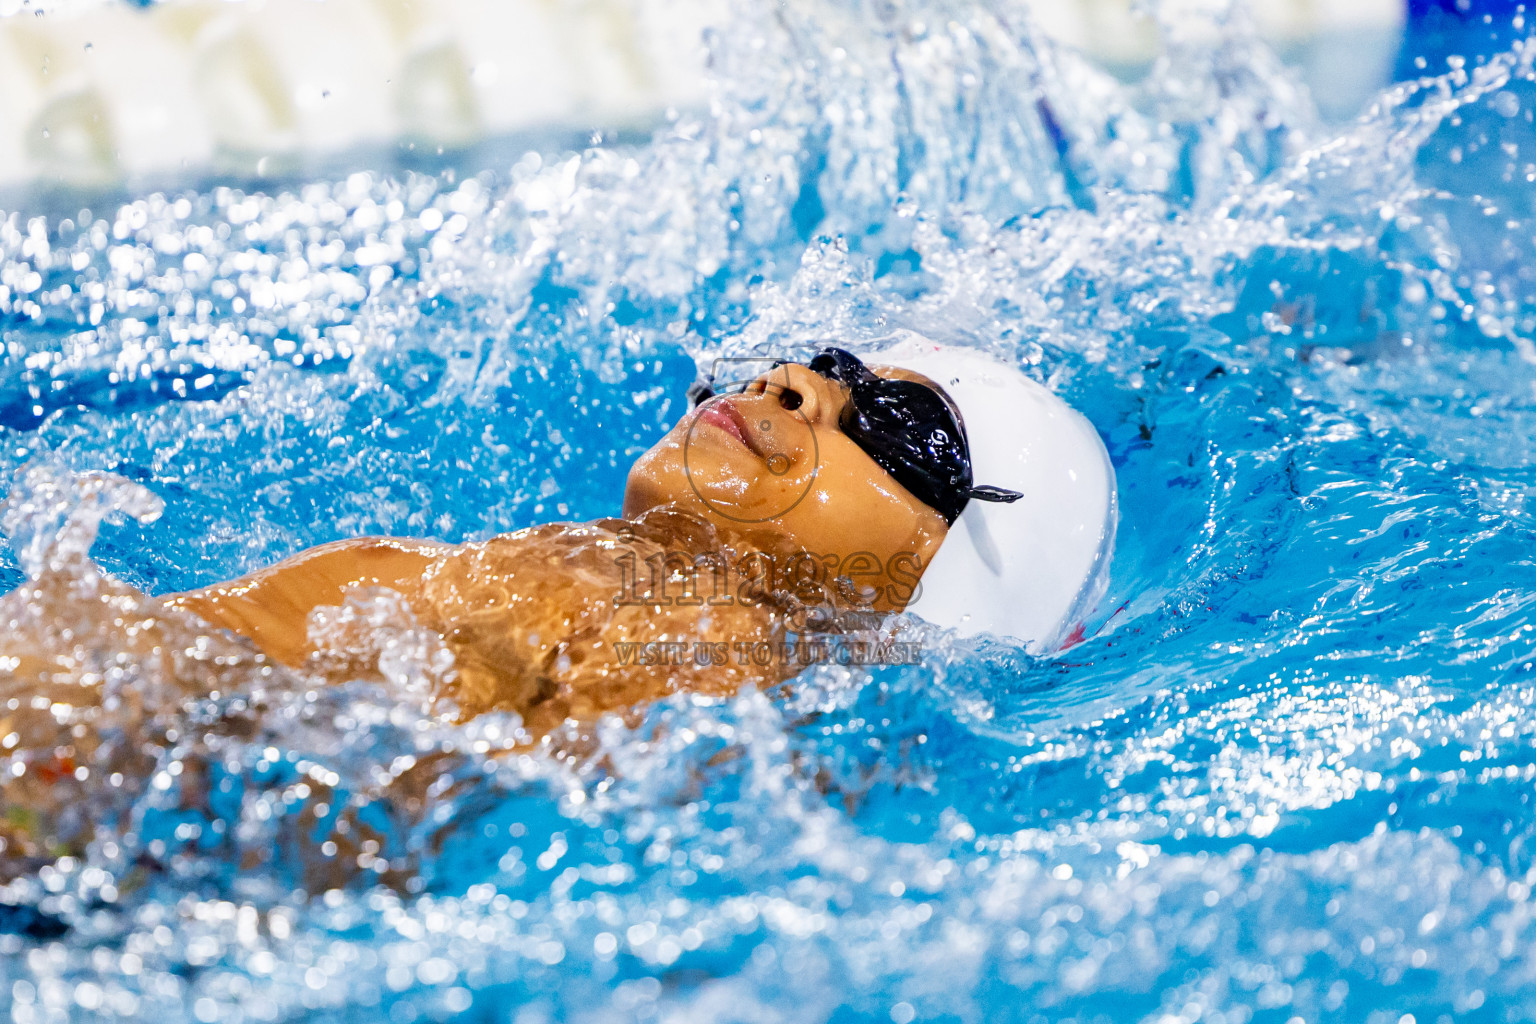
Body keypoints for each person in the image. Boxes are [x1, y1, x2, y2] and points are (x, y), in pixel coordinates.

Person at [0, 333, 1116, 876]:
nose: (797, 385)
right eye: (818, 362)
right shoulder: (604, 569)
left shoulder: (730, 635)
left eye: (893, 427)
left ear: (948, 570)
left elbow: (492, 814)